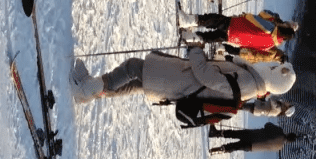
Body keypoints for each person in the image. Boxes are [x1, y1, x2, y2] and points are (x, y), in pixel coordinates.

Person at [72, 49, 238, 115]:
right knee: (134, 85)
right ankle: (91, 92)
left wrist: (196, 51)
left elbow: (206, 76)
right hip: (180, 88)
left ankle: (89, 89)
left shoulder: (247, 82)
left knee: (133, 67)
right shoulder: (245, 87)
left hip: (179, 82)